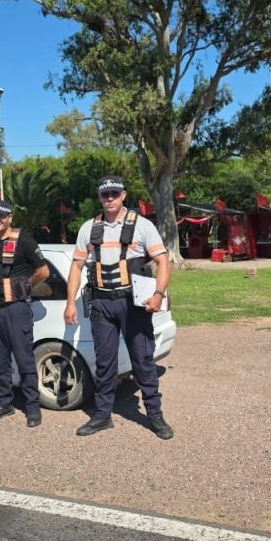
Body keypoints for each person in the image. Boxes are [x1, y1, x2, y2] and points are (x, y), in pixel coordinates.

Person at [64, 176, 174, 440]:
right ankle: (102, 416)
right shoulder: (88, 229)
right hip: (102, 303)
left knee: (142, 362)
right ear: (100, 198)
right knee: (104, 363)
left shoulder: (142, 226)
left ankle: (155, 416)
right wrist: (70, 303)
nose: (110, 198)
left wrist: (158, 294)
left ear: (124, 195)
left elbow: (163, 261)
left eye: (114, 193)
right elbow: (76, 266)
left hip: (132, 304)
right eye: (105, 194)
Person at [0, 199, 50, 427]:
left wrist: (26, 286)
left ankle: (32, 407)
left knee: (24, 359)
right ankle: (4, 403)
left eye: (0, 215)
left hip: (16, 309)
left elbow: (43, 271)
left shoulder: (24, 241)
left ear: (9, 217)